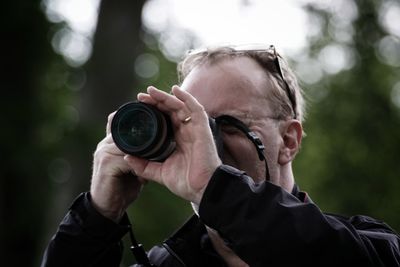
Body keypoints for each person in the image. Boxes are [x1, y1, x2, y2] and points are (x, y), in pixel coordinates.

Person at [41, 45, 400, 267]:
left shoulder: (368, 248)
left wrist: (216, 188)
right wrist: (97, 218)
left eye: (226, 124)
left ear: (289, 140)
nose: (203, 143)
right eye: (188, 124)